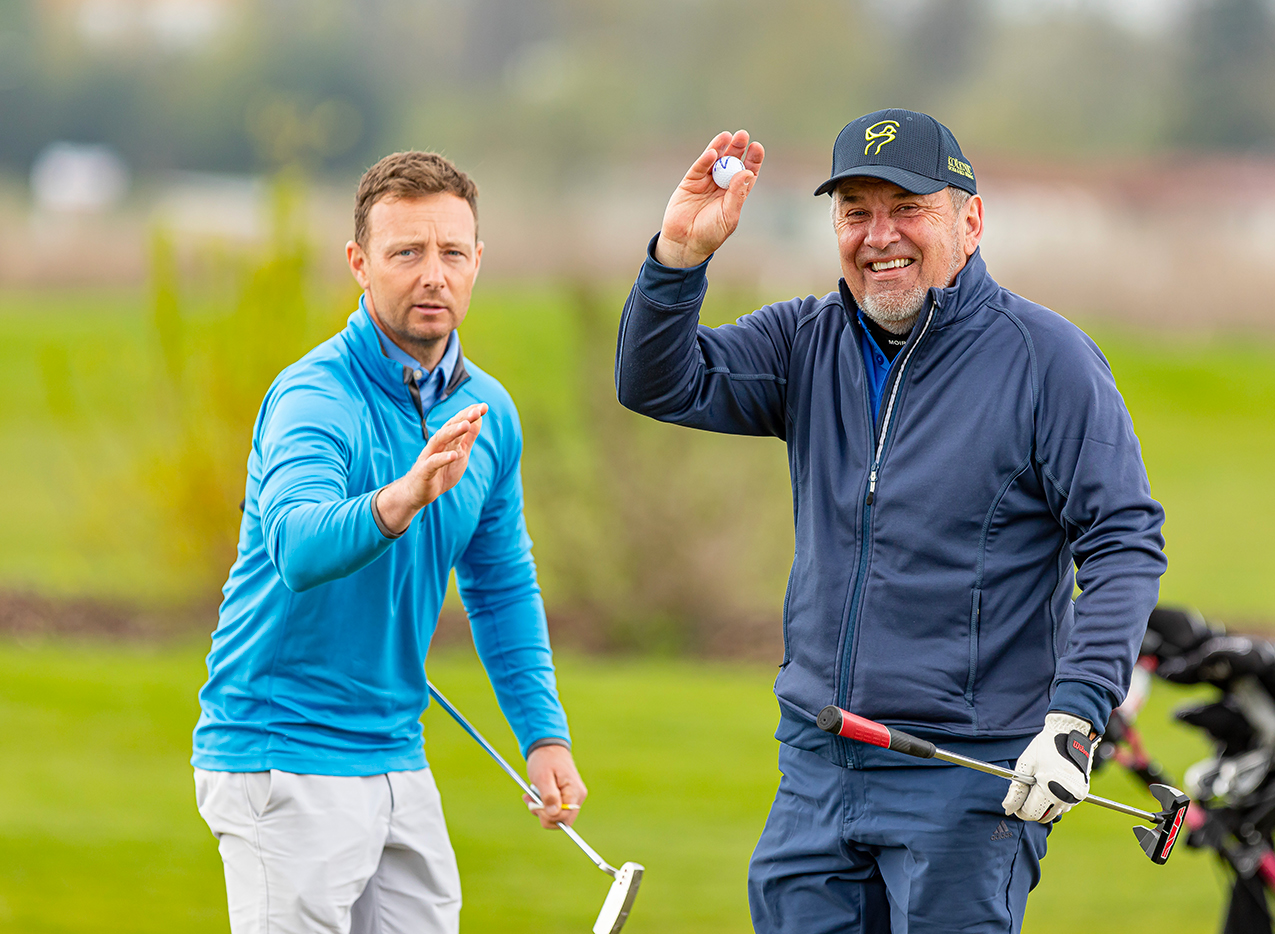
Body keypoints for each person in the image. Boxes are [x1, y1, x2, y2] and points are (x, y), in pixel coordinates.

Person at [615, 109, 1168, 933]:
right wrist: (678, 259)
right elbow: (658, 383)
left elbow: (1123, 542)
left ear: (969, 221)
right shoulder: (805, 340)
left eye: (907, 208)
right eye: (856, 212)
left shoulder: (1047, 361)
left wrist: (1076, 717)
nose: (880, 236)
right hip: (817, 761)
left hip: (967, 779)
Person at [192, 150, 585, 934]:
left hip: (397, 750)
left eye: (451, 252)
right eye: (407, 252)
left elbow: (502, 583)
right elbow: (299, 549)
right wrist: (401, 498)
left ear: (478, 261)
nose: (432, 274)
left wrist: (544, 735)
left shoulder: (488, 410)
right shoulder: (314, 397)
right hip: (283, 750)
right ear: (360, 265)